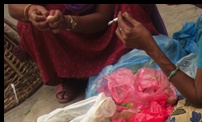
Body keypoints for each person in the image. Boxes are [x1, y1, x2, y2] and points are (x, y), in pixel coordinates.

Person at [7, 4, 167, 104]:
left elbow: (102, 19)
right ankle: (71, 76)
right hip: (64, 34)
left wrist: (68, 22)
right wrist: (29, 11)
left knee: (130, 8)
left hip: (108, 29)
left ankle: (133, 63)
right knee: (27, 25)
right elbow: (14, 8)